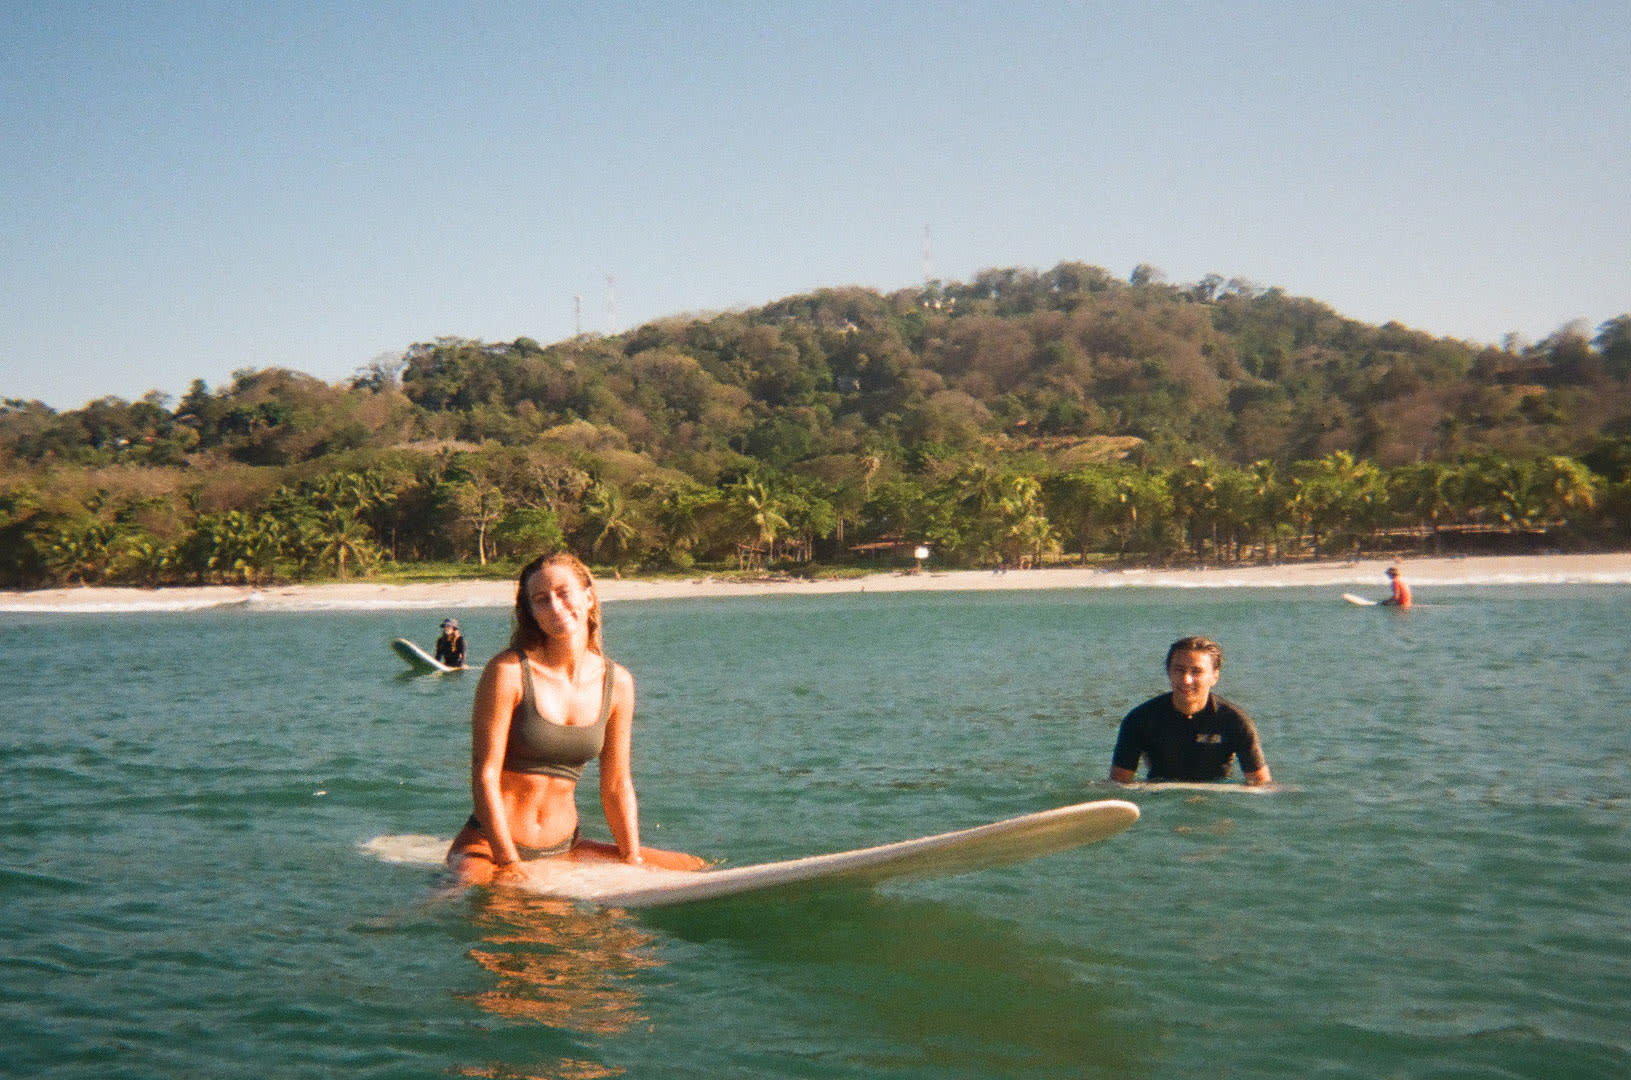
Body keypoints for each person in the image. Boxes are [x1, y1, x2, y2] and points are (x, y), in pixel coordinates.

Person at [446, 552, 704, 886]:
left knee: (693, 866)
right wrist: (510, 863)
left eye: (563, 593)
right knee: (491, 900)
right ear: (531, 613)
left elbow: (616, 784)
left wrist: (631, 857)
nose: (555, 606)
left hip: (565, 848)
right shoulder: (508, 672)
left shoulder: (617, 682)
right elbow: (485, 775)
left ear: (589, 597)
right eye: (541, 600)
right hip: (489, 847)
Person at [1110, 636, 1272, 786]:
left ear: (1214, 676)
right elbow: (1119, 784)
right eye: (1179, 670)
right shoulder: (1140, 719)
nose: (1186, 680)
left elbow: (1261, 785)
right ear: (1169, 672)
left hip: (1216, 801)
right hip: (1161, 800)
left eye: (1197, 671)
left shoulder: (1235, 721)